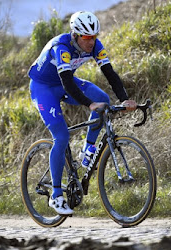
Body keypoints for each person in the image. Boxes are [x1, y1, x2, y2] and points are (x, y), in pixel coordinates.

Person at [28, 11, 137, 215]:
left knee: (103, 99)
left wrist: (124, 99)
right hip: (43, 88)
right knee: (61, 137)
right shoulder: (61, 47)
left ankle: (87, 151)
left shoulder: (96, 45)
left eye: (94, 36)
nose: (91, 42)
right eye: (86, 38)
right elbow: (68, 84)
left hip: (64, 83)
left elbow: (110, 74)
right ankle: (56, 196)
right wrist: (88, 104)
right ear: (75, 35)